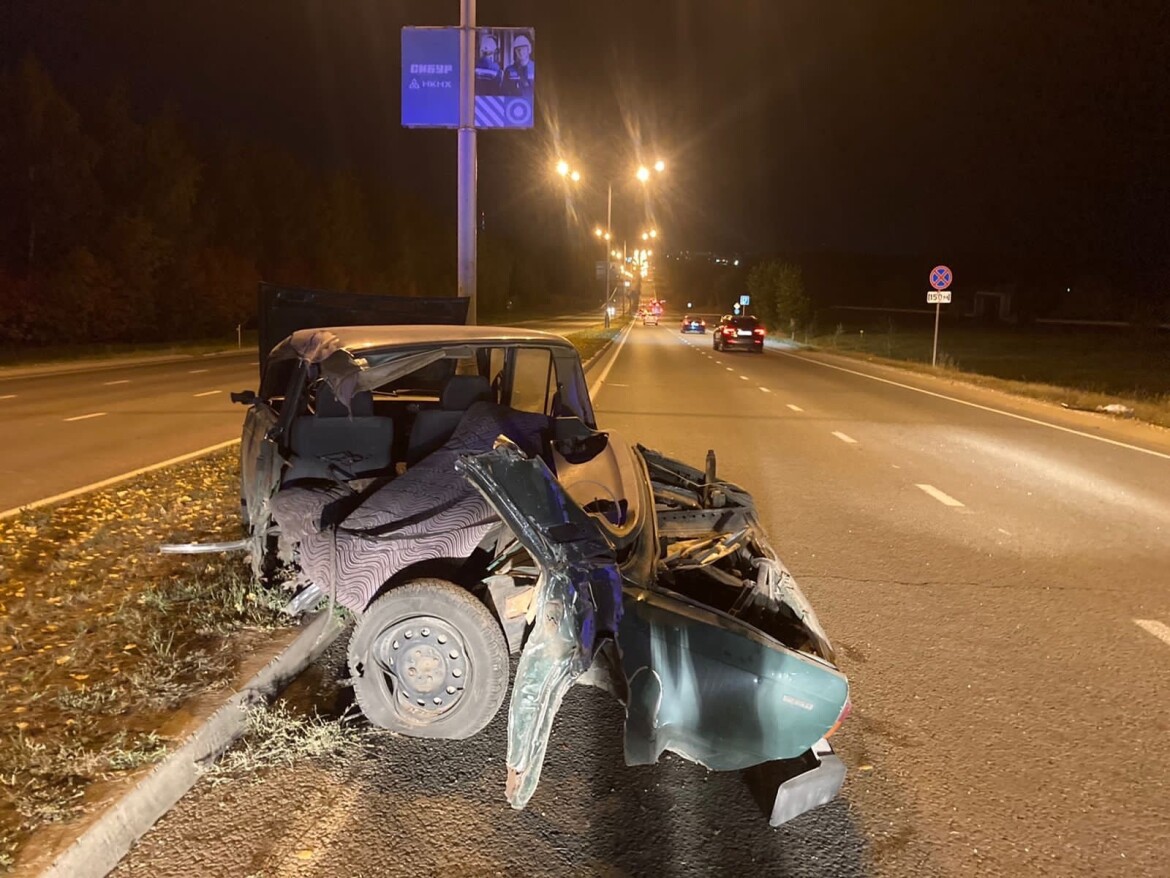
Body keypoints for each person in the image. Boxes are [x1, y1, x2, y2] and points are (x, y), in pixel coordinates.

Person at [502, 33, 534, 98]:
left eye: (523, 48)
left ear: (529, 49)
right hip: (514, 105)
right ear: (515, 51)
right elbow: (504, 92)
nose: (521, 52)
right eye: (518, 49)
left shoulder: (535, 68)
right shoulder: (509, 70)